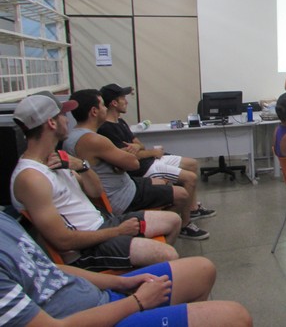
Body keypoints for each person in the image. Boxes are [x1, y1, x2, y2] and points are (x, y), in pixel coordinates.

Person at [10, 92, 181, 271]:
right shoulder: (31, 178)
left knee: (173, 221)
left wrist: (82, 166)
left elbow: (95, 191)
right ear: (51, 123)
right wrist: (118, 232)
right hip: (85, 248)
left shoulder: (55, 160)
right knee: (168, 255)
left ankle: (146, 275)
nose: (68, 120)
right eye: (62, 116)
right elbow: (62, 240)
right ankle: (143, 282)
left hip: (102, 224)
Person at [0, 210, 252, 327]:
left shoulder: (4, 220)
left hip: (98, 299)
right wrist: (138, 303)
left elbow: (50, 268)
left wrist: (120, 283)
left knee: (202, 269)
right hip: (87, 319)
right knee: (236, 318)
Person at [63, 89, 209, 240]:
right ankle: (173, 225)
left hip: (126, 184)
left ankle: (165, 220)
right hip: (123, 196)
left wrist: (127, 155)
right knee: (182, 194)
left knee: (162, 182)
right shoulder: (94, 139)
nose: (105, 109)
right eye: (102, 105)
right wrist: (126, 157)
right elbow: (133, 164)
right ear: (94, 111)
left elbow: (127, 157)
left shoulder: (73, 137)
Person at [97, 83, 215, 223]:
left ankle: (192, 209)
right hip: (142, 168)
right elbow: (129, 157)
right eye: (123, 98)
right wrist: (153, 152)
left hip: (149, 160)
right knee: (190, 178)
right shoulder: (106, 129)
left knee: (192, 164)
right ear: (114, 103)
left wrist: (137, 146)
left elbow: (139, 145)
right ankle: (184, 223)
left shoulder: (120, 122)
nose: (126, 101)